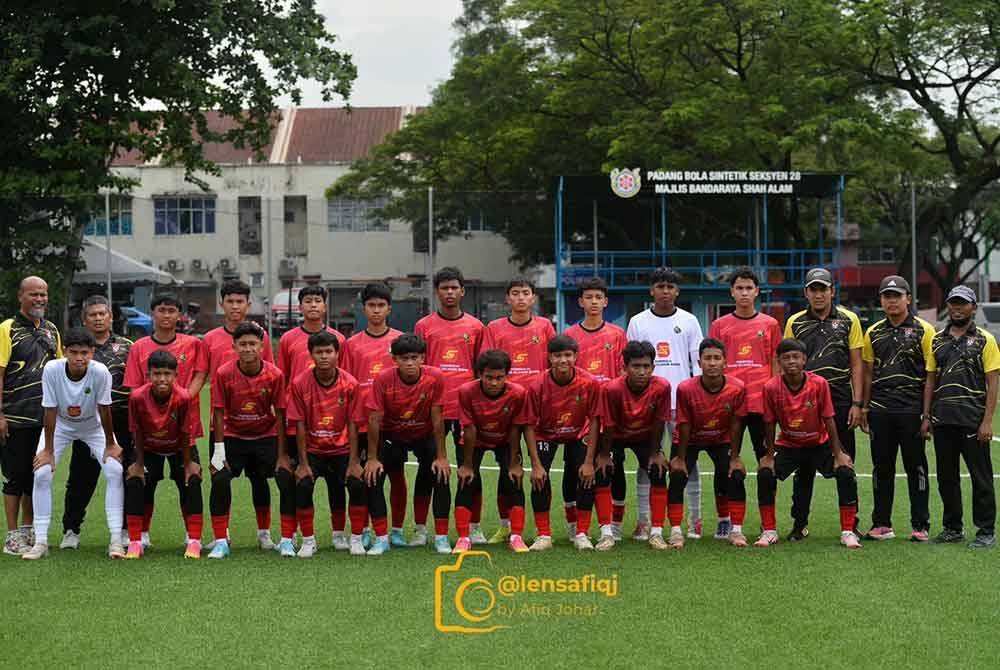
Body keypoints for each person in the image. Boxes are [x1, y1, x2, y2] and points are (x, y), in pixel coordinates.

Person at [23, 328, 124, 560]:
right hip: (60, 425)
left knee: (115, 470)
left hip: (93, 426)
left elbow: (105, 409)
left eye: (85, 353)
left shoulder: (101, 372)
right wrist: (48, 450)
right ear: (65, 352)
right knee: (42, 473)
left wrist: (110, 444)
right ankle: (40, 542)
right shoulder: (52, 369)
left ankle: (116, 541)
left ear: (93, 352)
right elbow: (49, 409)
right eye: (74, 352)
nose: (80, 358)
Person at [755, 338, 861, 549]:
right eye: (786, 358)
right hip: (789, 444)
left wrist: (838, 453)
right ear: (779, 361)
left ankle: (848, 532)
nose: (791, 361)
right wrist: (768, 456)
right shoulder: (770, 387)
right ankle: (769, 531)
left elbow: (829, 419)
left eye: (796, 357)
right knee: (765, 474)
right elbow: (769, 423)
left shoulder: (819, 384)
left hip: (818, 443)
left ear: (804, 360)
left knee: (846, 472)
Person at [783, 268, 864, 540]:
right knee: (804, 465)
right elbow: (787, 360)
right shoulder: (794, 321)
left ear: (832, 291)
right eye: (813, 289)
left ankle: (851, 526)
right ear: (806, 292)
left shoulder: (849, 320)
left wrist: (857, 402)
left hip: (840, 398)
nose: (818, 294)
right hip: (803, 399)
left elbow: (856, 363)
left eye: (823, 289)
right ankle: (800, 524)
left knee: (845, 461)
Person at [122, 293, 208, 548]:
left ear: (179, 315)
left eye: (172, 311)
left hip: (183, 425)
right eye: (162, 310)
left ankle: (192, 537)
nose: (167, 315)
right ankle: (142, 535)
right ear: (153, 313)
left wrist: (182, 399)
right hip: (148, 430)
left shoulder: (192, 343)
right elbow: (134, 387)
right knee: (144, 481)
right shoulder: (138, 347)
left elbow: (201, 373)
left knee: (190, 479)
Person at [625, 267, 703, 541]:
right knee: (648, 462)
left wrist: (698, 399)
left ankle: (695, 520)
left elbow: (699, 363)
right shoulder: (637, 322)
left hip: (682, 404)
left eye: (670, 287)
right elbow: (631, 363)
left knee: (687, 461)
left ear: (677, 291)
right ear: (651, 290)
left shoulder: (690, 320)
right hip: (648, 406)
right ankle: (644, 521)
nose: (666, 291)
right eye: (660, 286)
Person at [922, 285, 999, 548]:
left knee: (981, 478)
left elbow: (993, 383)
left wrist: (987, 421)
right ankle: (953, 528)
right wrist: (926, 416)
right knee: (947, 477)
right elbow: (931, 379)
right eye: (953, 303)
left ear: (973, 308)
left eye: (962, 304)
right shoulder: (937, 339)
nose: (956, 308)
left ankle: (986, 531)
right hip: (942, 420)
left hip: (972, 420)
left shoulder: (985, 340)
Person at [363, 333, 451, 555]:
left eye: (414, 357)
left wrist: (442, 456)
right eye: (404, 358)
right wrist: (372, 459)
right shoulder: (383, 379)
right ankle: (382, 537)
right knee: (373, 476)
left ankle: (434, 534)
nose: (410, 363)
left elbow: (438, 418)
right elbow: (374, 419)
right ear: (394, 360)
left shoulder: (436, 377)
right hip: (392, 435)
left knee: (439, 474)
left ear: (423, 358)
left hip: (424, 434)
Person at [481, 277, 555, 543]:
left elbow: (554, 360)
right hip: (506, 406)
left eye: (526, 293)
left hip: (537, 405)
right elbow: (488, 365)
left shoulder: (545, 326)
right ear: (507, 299)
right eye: (515, 293)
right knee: (508, 467)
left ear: (533, 298)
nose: (521, 297)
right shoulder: (495, 328)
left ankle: (543, 531)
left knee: (540, 468)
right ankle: (507, 526)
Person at [415, 268, 486, 542]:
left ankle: (474, 527)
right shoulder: (423, 326)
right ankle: (423, 530)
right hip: (433, 410)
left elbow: (482, 371)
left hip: (466, 410)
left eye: (454, 288)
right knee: (430, 468)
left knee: (470, 469)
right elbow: (416, 365)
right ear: (437, 292)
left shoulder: (476, 327)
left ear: (462, 291)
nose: (449, 293)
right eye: (444, 288)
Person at [861, 275, 934, 541]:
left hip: (912, 410)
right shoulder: (873, 331)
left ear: (908, 299)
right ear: (881, 300)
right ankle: (882, 524)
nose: (892, 301)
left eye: (897, 296)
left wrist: (927, 414)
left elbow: (931, 374)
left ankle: (920, 525)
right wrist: (865, 408)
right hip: (881, 410)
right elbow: (868, 373)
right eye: (887, 296)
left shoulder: (925, 330)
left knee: (916, 467)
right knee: (882, 468)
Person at [208, 322, 288, 558]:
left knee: (269, 480)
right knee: (220, 479)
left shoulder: (274, 374)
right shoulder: (223, 373)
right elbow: (219, 411)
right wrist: (219, 449)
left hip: (265, 436)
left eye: (252, 344)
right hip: (232, 436)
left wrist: (283, 454)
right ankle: (221, 539)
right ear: (234, 346)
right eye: (242, 344)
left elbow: (281, 413)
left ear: (262, 346)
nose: (247, 348)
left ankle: (266, 535)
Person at [60, 295, 132, 549]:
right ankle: (71, 529)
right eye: (93, 314)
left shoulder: (127, 346)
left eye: (103, 314)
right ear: (84, 319)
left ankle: (124, 529)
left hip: (122, 418)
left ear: (111, 317)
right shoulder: (78, 349)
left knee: (122, 474)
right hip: (89, 420)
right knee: (81, 476)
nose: (99, 318)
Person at [288, 331, 369, 558]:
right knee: (303, 484)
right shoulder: (300, 383)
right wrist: (303, 463)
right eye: (319, 352)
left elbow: (354, 424)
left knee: (355, 483)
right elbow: (300, 425)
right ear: (311, 354)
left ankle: (352, 538)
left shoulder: (350, 384)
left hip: (342, 449)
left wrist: (354, 462)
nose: (324, 356)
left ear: (337, 354)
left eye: (328, 352)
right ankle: (308, 540)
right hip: (313, 450)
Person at [519, 335, 600, 551]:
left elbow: (594, 420)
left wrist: (590, 461)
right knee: (539, 478)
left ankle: (581, 533)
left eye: (568, 355)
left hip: (577, 432)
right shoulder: (536, 385)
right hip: (544, 433)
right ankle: (544, 534)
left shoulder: (589, 382)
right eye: (557, 356)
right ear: (549, 358)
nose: (563, 360)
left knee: (585, 474)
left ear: (576, 357)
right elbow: (528, 425)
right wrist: (536, 465)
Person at [667, 338, 748, 549]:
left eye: (716, 358)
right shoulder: (685, 388)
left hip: (720, 438)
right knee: (677, 474)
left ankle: (732, 527)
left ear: (725, 362)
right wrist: (681, 459)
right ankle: (676, 531)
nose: (712, 363)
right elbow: (683, 424)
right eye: (707, 358)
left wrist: (735, 457)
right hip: (690, 439)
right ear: (699, 362)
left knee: (733, 474)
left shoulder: (737, 388)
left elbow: (736, 424)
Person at [0, 276, 61, 555]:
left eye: (44, 294)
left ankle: (29, 529)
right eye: (34, 294)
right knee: (15, 477)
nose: (40, 299)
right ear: (20, 296)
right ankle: (12, 535)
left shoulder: (51, 330)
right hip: (15, 418)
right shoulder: (6, 329)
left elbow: (60, 370)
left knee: (37, 476)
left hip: (45, 419)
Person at [592, 341, 672, 551]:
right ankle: (607, 533)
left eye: (646, 366)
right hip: (615, 436)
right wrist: (604, 454)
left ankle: (655, 533)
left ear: (653, 367)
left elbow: (659, 421)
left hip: (645, 437)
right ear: (624, 367)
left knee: (658, 470)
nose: (642, 371)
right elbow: (607, 425)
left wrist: (656, 453)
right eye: (636, 366)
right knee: (605, 470)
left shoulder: (662, 386)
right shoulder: (611, 389)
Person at [563, 276, 626, 538]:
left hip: (610, 410)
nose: (593, 302)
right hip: (578, 411)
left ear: (606, 302)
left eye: (598, 297)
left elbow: (623, 372)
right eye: (588, 297)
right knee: (572, 465)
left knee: (615, 464)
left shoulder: (617, 334)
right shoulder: (569, 335)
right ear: (580, 302)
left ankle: (615, 524)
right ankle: (572, 521)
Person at [341, 283, 404, 548]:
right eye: (371, 305)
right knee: (366, 477)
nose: (376, 310)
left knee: (396, 475)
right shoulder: (352, 345)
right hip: (364, 422)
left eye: (381, 305)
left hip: (394, 422)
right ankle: (365, 529)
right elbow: (345, 384)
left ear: (389, 308)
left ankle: (398, 530)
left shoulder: (400, 341)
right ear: (363, 309)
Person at [123, 350, 203, 559]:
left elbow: (186, 431)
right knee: (135, 481)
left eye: (167, 374)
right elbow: (136, 431)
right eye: (157, 373)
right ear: (148, 375)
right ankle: (136, 541)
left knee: (192, 480)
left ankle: (194, 540)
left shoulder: (183, 397)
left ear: (175, 375)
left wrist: (187, 464)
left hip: (179, 446)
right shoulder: (137, 397)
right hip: (148, 447)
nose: (162, 379)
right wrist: (138, 463)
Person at [452, 350, 532, 553]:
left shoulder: (518, 393)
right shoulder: (466, 391)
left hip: (505, 438)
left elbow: (516, 428)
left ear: (507, 375)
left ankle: (516, 536)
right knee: (466, 480)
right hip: (475, 439)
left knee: (512, 478)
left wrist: (514, 463)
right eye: (489, 377)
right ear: (479, 374)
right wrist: (467, 466)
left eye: (499, 378)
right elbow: (469, 429)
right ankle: (463, 537)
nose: (494, 383)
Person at [708, 268, 781, 466]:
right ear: (732, 291)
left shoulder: (770, 324)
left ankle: (767, 498)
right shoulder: (719, 325)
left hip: (761, 403)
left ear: (757, 291)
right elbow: (712, 363)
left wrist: (774, 395)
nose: (745, 292)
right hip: (730, 403)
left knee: (766, 461)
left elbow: (775, 360)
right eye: (740, 288)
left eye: (749, 288)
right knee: (726, 461)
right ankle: (727, 498)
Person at [203, 279, 274, 378]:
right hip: (220, 393)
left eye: (240, 302)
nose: (235, 306)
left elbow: (270, 372)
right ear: (221, 304)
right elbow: (200, 375)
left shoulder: (261, 335)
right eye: (230, 301)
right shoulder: (209, 338)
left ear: (248, 305)